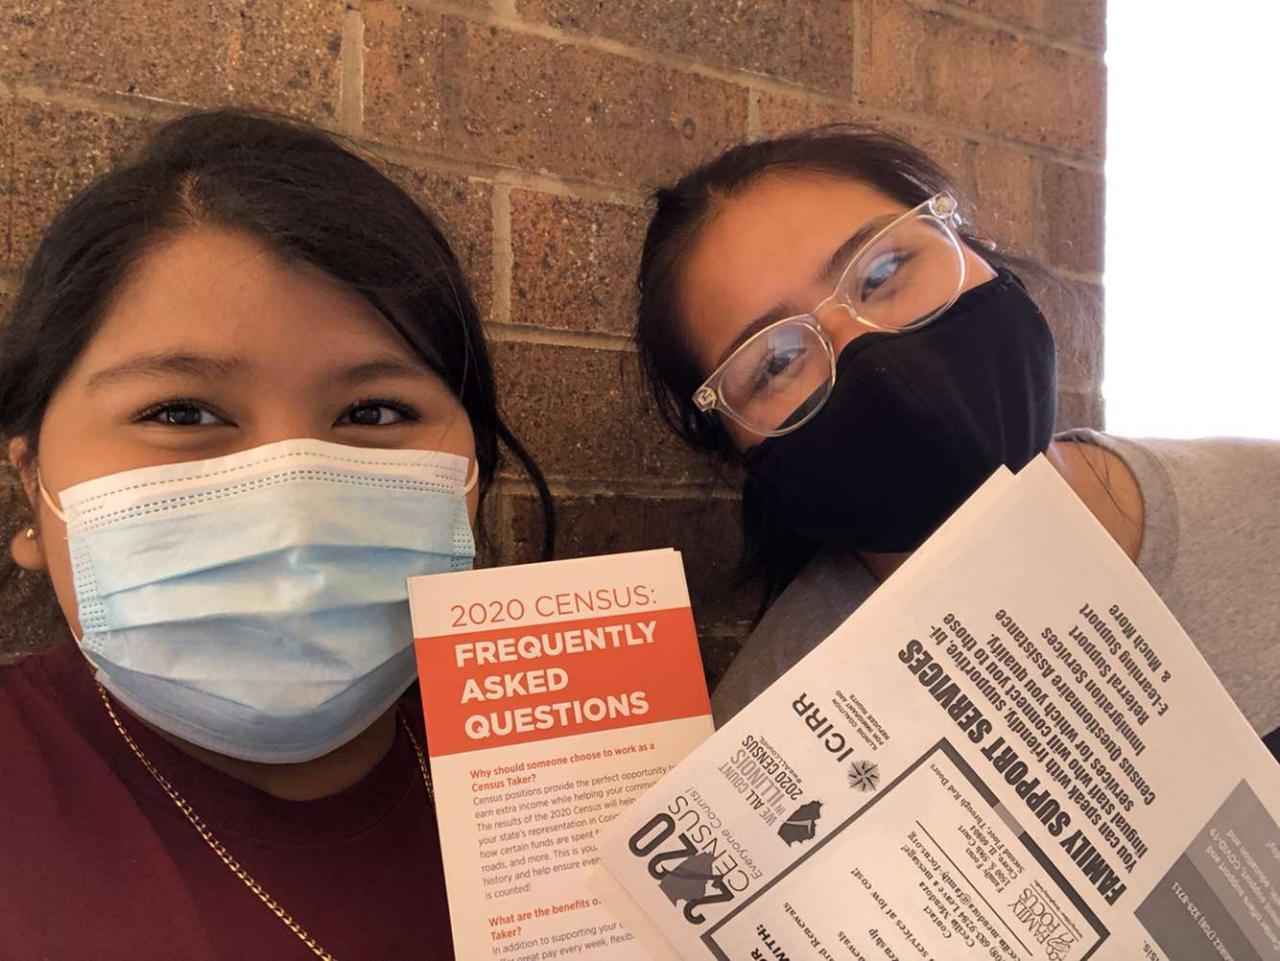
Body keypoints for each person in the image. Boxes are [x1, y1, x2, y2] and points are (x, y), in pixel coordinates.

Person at [0, 109, 553, 959]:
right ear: (30, 481)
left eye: (375, 412)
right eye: (180, 412)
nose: (296, 513)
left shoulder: (572, 765)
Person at [633, 125, 1280, 750]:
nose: (865, 346)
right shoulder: (766, 736)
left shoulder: (1266, 496)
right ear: (736, 449)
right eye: (775, 363)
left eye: (885, 270)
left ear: (972, 246)